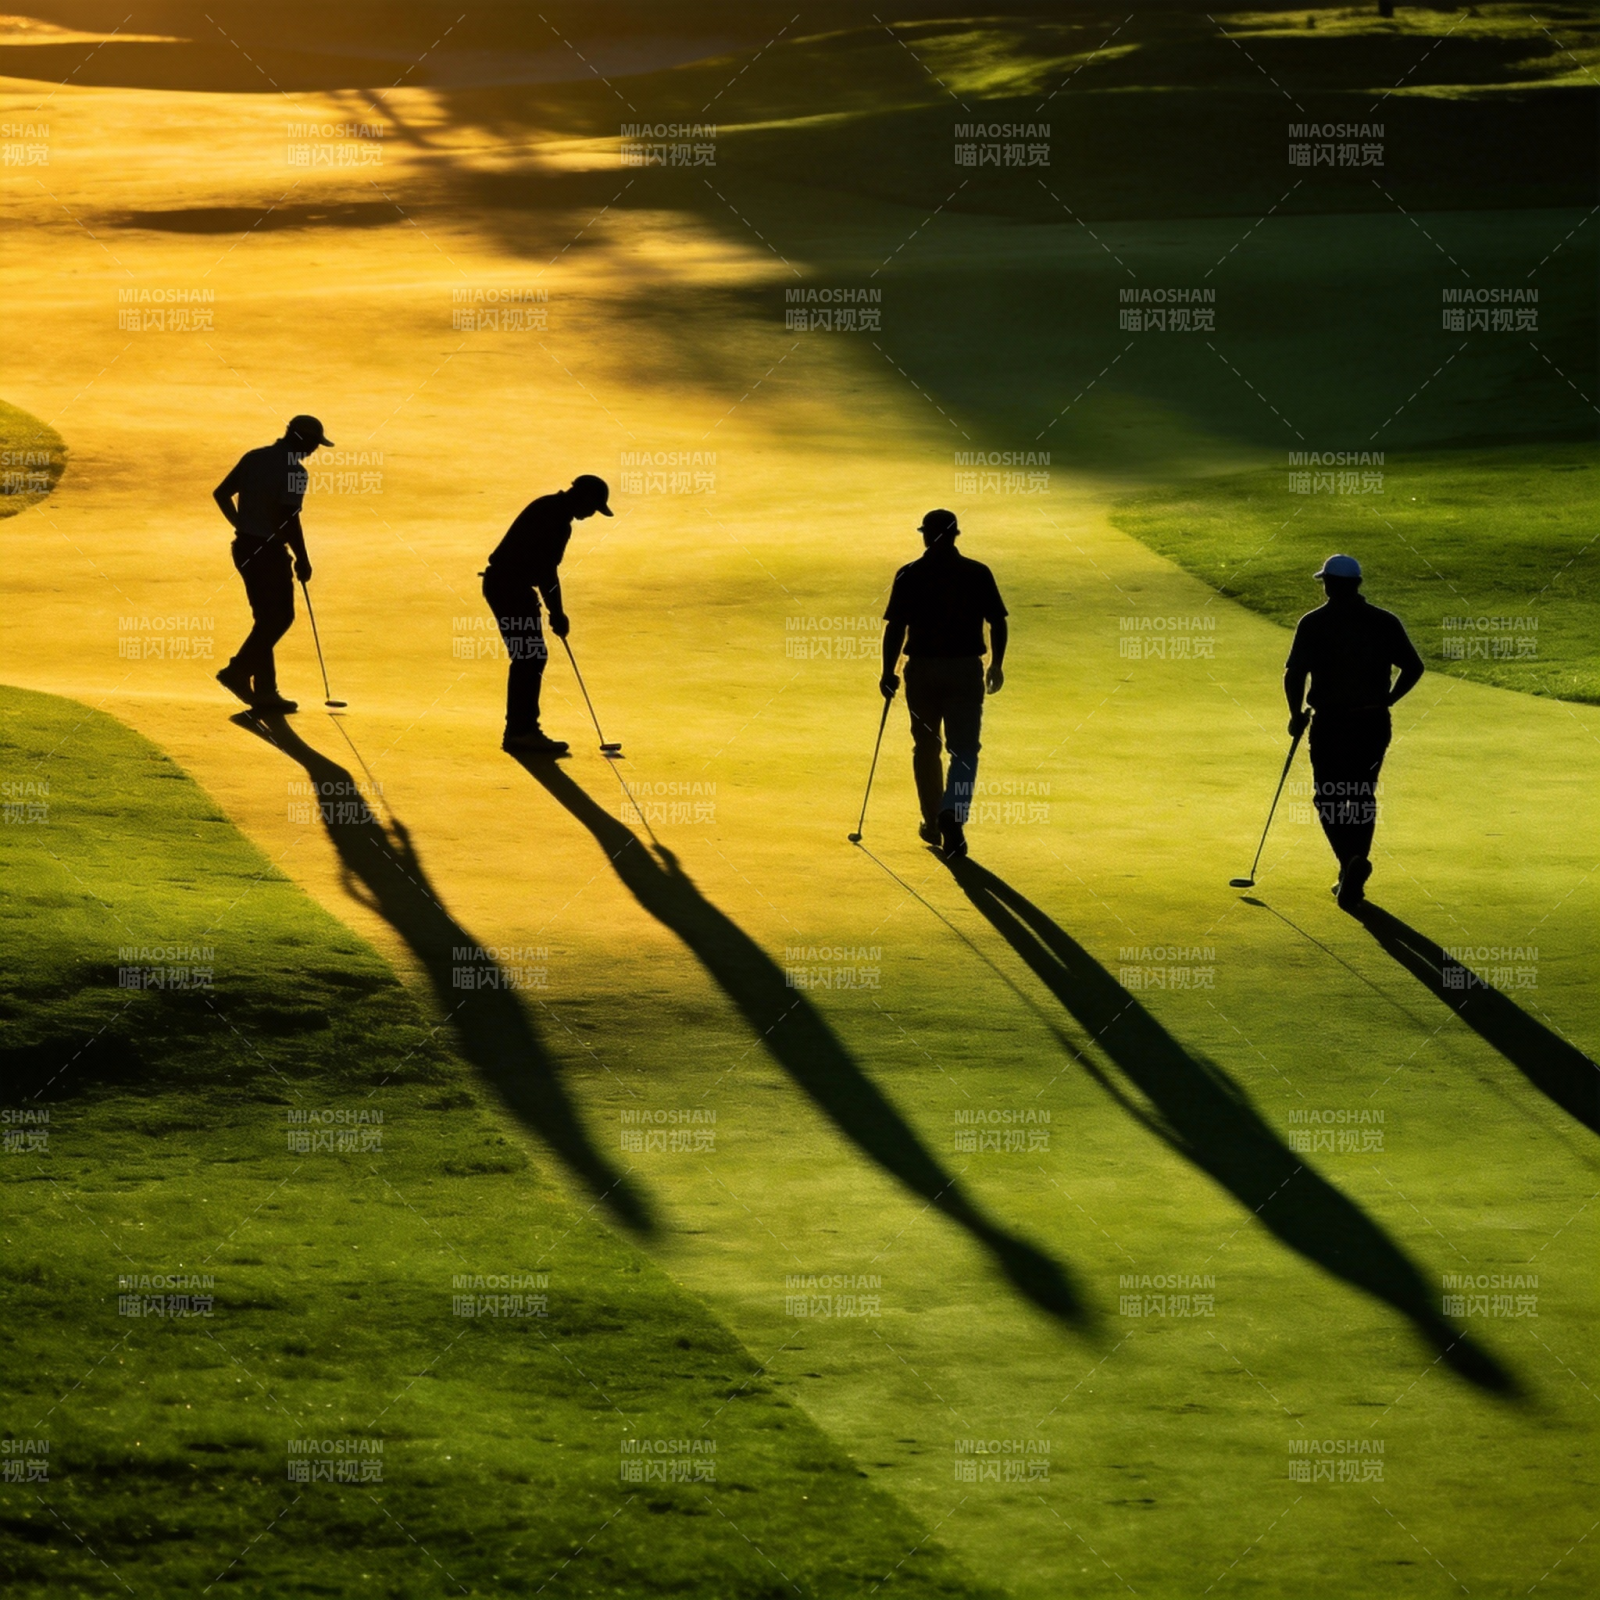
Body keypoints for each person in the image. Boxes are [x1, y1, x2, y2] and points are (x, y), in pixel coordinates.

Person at [1284, 554, 1423, 908]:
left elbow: (1294, 674)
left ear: (1329, 583)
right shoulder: (1383, 621)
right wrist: (1389, 699)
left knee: (1329, 796)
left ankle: (1349, 865)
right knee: (1361, 794)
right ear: (1357, 584)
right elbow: (1414, 667)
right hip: (1373, 722)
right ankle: (1353, 872)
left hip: (1331, 723)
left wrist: (1295, 713)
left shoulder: (1314, 622)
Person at [880, 509, 1008, 859]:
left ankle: (933, 820)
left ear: (925, 535)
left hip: (921, 671)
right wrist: (996, 663)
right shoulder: (977, 572)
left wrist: (888, 672)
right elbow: (997, 621)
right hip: (965, 670)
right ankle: (953, 813)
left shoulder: (910, 573)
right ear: (955, 535)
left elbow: (895, 628)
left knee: (926, 746)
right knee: (964, 749)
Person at [482, 474, 612, 755]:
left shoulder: (548, 507)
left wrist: (553, 610)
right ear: (584, 498)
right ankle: (521, 732)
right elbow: (546, 572)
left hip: (507, 585)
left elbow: (542, 570)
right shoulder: (556, 520)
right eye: (593, 508)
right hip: (509, 587)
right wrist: (558, 613)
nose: (591, 515)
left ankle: (520, 730)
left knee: (529, 655)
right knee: (529, 655)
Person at [214, 414, 333, 714]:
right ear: (302, 440)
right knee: (280, 618)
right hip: (268, 552)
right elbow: (288, 519)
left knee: (265, 620)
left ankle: (266, 692)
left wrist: (240, 524)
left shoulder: (254, 458)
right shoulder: (295, 471)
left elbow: (222, 493)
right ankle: (238, 670)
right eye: (314, 445)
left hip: (244, 547)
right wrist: (303, 559)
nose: (314, 451)